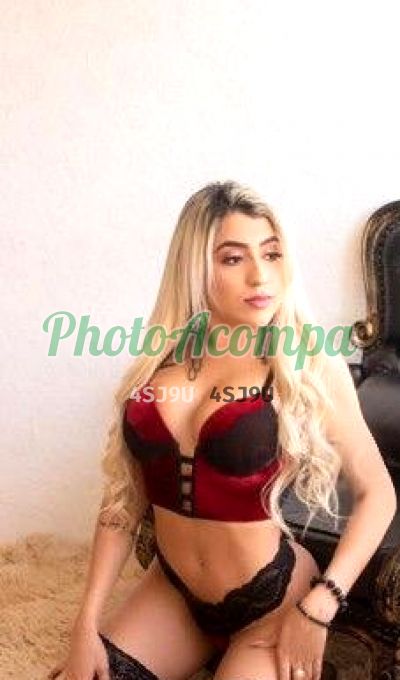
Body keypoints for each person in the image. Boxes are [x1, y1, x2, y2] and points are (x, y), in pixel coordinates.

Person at [49, 181, 397, 680]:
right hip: (173, 594)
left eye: (271, 254)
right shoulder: (159, 364)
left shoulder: (305, 364)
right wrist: (85, 623)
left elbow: (378, 492)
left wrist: (321, 604)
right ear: (195, 267)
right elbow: (123, 500)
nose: (260, 275)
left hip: (271, 599)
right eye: (233, 258)